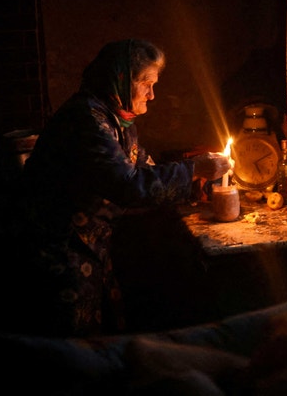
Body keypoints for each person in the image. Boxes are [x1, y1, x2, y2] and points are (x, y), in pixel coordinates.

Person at [14, 38, 231, 338]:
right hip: (59, 250)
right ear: (120, 78)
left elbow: (144, 170)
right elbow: (127, 184)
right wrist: (193, 170)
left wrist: (197, 184)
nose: (152, 95)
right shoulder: (87, 120)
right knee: (72, 344)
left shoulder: (118, 121)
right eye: (146, 84)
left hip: (89, 248)